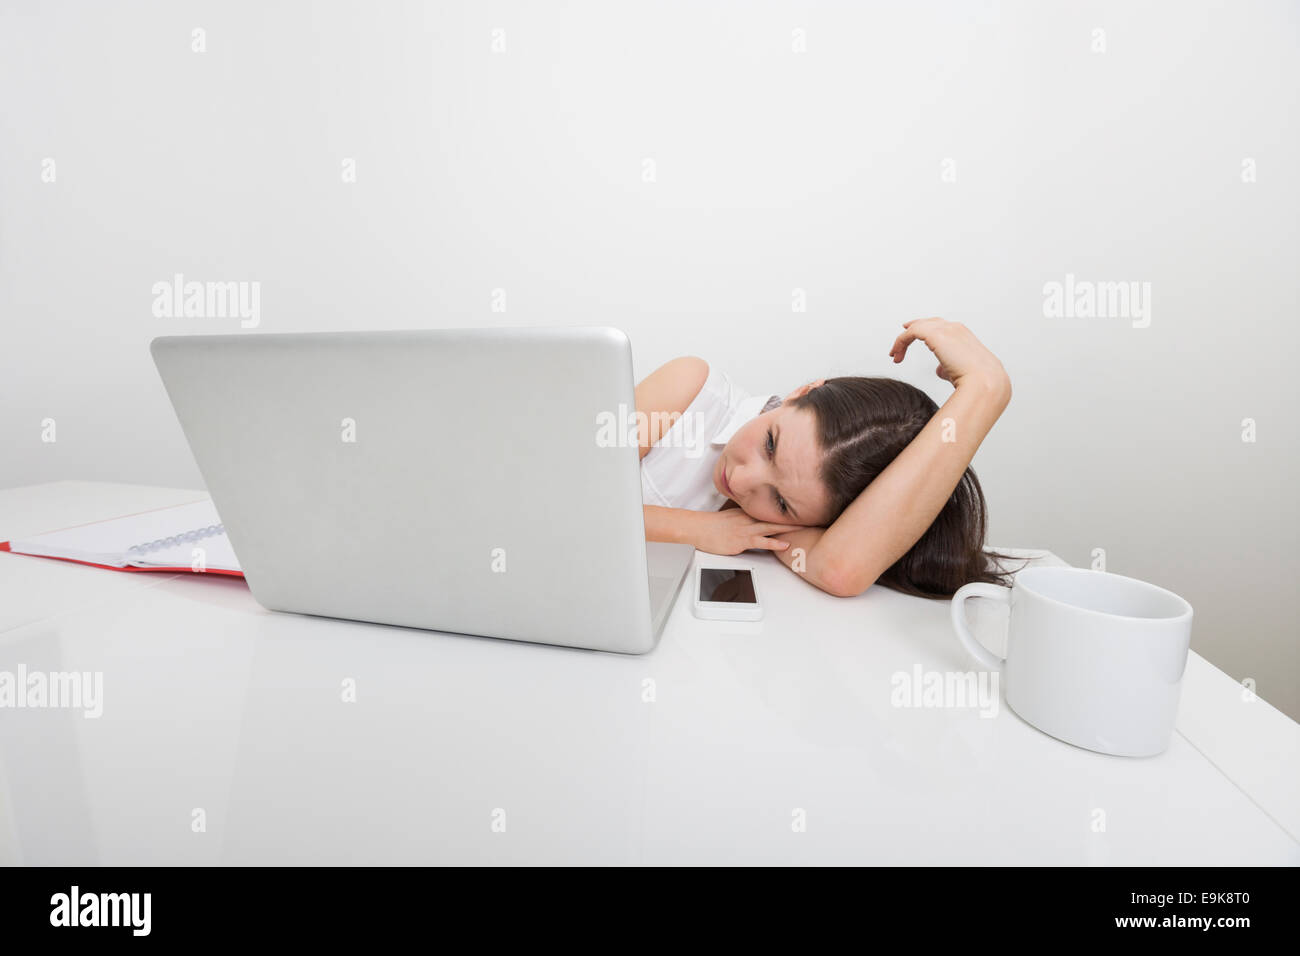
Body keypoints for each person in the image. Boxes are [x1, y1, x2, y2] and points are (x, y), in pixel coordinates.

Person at [638, 317, 1023, 599]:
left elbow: (840, 569)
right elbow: (576, 501)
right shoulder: (692, 392)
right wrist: (699, 530)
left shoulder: (779, 528)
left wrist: (984, 391)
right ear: (802, 391)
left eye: (782, 502)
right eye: (771, 444)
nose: (741, 482)